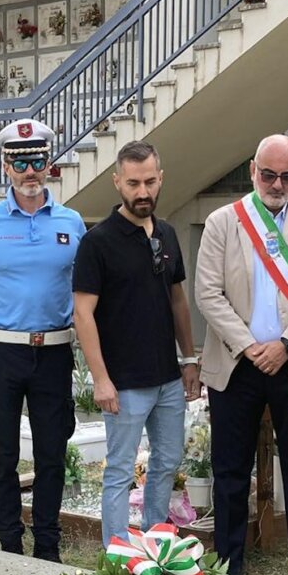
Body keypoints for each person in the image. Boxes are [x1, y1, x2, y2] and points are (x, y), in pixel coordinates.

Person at [195, 134, 288, 575]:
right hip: (236, 361)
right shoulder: (223, 221)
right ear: (253, 170)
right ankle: (231, 559)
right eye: (269, 174)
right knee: (230, 468)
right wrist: (249, 344)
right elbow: (207, 293)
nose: (278, 184)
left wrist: (286, 344)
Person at [0, 118, 86, 562]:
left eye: (38, 161)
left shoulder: (72, 222)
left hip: (54, 350)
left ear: (50, 163)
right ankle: (9, 544)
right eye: (20, 162)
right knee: (2, 453)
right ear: (5, 167)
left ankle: (47, 545)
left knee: (51, 453)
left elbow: (85, 289)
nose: (30, 171)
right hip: (2, 352)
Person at [72, 141, 201, 546]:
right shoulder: (98, 242)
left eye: (149, 181)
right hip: (124, 383)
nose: (142, 191)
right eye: (133, 183)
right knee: (120, 471)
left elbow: (178, 299)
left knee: (167, 463)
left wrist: (190, 358)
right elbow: (82, 313)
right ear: (117, 182)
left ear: (160, 179)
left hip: (167, 378)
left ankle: (157, 545)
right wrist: (101, 379)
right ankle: (118, 555)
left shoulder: (167, 233)